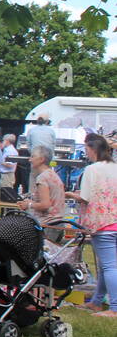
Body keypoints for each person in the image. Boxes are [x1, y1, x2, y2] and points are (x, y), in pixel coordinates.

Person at [64, 133, 117, 317]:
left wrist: (70, 195)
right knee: (105, 266)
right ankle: (96, 301)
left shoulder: (92, 170)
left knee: (110, 266)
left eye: (86, 148)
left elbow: (85, 197)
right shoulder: (114, 167)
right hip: (115, 220)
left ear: (92, 149)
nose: (85, 152)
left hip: (102, 223)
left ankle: (114, 307)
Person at [18, 145, 66, 242]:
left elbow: (45, 205)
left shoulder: (42, 178)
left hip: (48, 224)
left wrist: (29, 204)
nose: (30, 160)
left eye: (33, 156)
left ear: (41, 159)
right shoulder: (53, 175)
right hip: (58, 223)